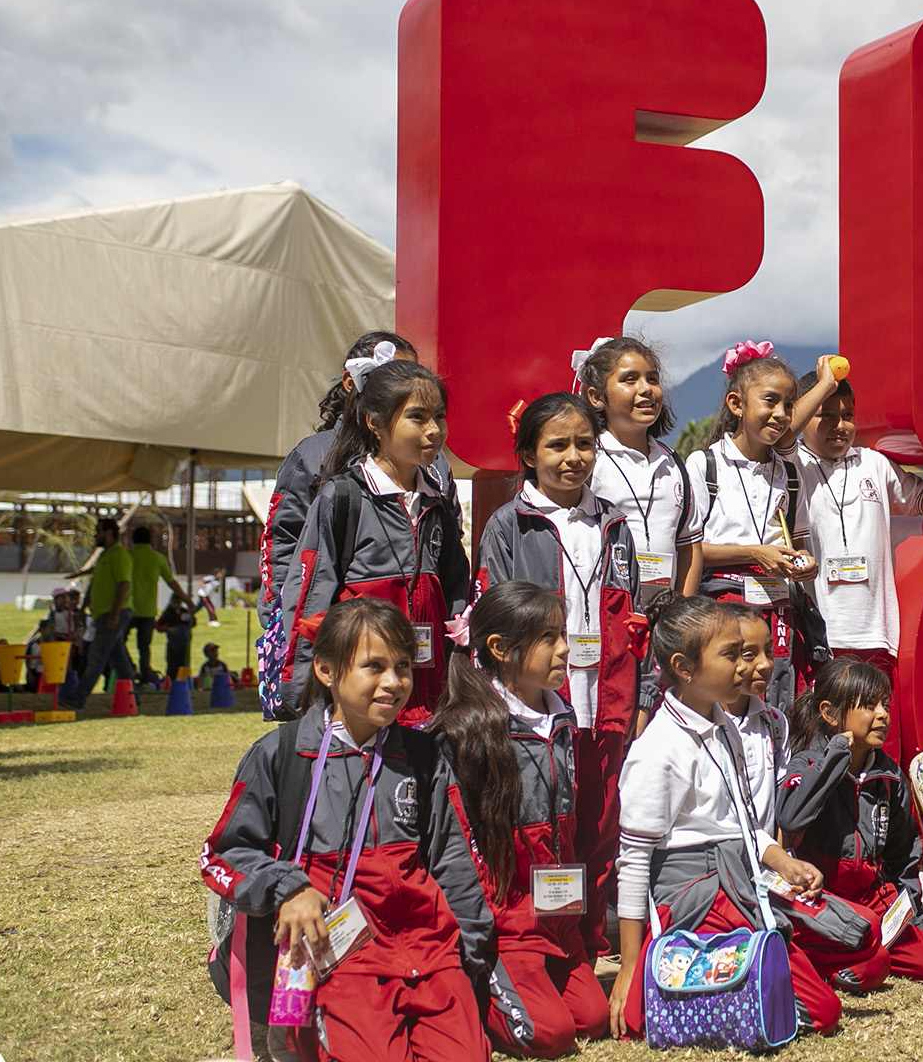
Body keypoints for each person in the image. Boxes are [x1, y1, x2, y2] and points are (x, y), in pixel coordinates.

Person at [199, 598, 495, 1060]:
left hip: (428, 947)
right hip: (337, 952)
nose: (394, 683)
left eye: (403, 666)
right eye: (373, 667)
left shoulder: (423, 756)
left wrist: (470, 955)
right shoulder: (281, 755)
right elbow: (222, 854)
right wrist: (288, 888)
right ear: (326, 670)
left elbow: (452, 859)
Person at [610, 593, 854, 1039]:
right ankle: (668, 985)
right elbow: (634, 862)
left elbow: (741, 824)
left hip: (741, 881)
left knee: (824, 1004)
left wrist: (784, 862)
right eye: (731, 655)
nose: (745, 667)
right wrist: (628, 969)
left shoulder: (725, 727)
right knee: (814, 1011)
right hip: (694, 893)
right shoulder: (657, 750)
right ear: (684, 668)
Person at [471, 391, 642, 962]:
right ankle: (542, 938)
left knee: (600, 819)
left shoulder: (615, 522)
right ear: (527, 453)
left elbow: (632, 610)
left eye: (585, 444)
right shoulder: (508, 524)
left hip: (608, 700)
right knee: (548, 821)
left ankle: (590, 937)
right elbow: (492, 614)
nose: (573, 456)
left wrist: (636, 692)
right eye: (557, 445)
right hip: (544, 704)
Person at [434, 581, 608, 1058]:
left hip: (558, 916)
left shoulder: (563, 718)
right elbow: (458, 841)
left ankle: (530, 979)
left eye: (564, 635)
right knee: (548, 1035)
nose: (565, 649)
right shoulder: (468, 727)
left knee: (593, 1019)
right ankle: (477, 980)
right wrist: (486, 917)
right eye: (549, 638)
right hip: (505, 919)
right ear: (500, 649)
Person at [277, 352, 468, 725]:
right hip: (362, 687)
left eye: (440, 416)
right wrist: (301, 689)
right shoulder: (343, 497)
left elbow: (455, 589)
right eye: (417, 417)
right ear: (375, 423)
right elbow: (311, 594)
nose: (433, 430)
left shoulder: (438, 501)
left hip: (428, 686)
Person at [778, 658, 923, 993]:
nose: (882, 715)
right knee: (873, 964)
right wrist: (836, 756)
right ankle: (840, 957)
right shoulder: (806, 764)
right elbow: (791, 818)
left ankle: (860, 952)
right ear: (830, 714)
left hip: (871, 898)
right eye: (868, 705)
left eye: (885, 705)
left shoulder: (890, 775)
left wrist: (913, 913)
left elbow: (903, 853)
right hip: (823, 896)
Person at [258, 332, 462, 630]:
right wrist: (282, 620)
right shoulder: (314, 457)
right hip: (346, 637)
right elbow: (283, 542)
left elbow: (449, 546)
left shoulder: (435, 462)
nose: (407, 382)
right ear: (353, 383)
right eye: (389, 375)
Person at [793, 371, 923, 679]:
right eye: (825, 415)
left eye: (848, 415)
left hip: (876, 634)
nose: (839, 426)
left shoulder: (873, 463)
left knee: (875, 724)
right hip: (817, 633)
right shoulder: (791, 465)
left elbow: (919, 495)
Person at [685, 344, 831, 714]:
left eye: (789, 404)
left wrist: (804, 563)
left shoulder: (790, 475)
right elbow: (692, 550)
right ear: (737, 404)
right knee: (726, 701)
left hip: (779, 609)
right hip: (725, 606)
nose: (781, 414)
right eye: (770, 401)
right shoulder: (705, 466)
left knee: (778, 703)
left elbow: (794, 541)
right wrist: (754, 553)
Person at [578, 336, 706, 599]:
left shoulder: (673, 464)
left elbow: (689, 546)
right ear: (596, 396)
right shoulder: (589, 461)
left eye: (653, 379)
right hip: (604, 614)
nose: (646, 389)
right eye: (629, 379)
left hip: (664, 619)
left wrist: (680, 615)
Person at [722, 605, 788, 834]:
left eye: (768, 652)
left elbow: (781, 804)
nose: (765, 664)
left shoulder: (775, 722)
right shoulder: (701, 725)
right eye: (749, 654)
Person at [60, 518, 137, 710]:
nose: (96, 535)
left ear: (110, 533)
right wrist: (84, 608)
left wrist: (114, 614)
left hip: (113, 613)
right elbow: (95, 584)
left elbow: (124, 584)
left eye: (99, 531)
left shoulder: (119, 555)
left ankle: (79, 697)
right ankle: (132, 696)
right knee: (118, 658)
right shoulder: (105, 556)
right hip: (103, 613)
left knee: (96, 656)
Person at [127, 527, 190, 683]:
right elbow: (172, 582)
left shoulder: (127, 556)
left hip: (127, 607)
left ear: (132, 540)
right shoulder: (157, 558)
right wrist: (187, 600)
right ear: (150, 540)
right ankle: (144, 676)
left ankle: (130, 669)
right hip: (147, 610)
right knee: (144, 648)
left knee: (118, 643)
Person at [155, 593, 194, 681]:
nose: (176, 605)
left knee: (183, 663)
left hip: (184, 643)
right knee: (172, 664)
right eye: (174, 603)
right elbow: (158, 626)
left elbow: (192, 623)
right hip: (173, 643)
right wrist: (168, 629)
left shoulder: (184, 612)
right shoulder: (167, 613)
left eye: (178, 603)